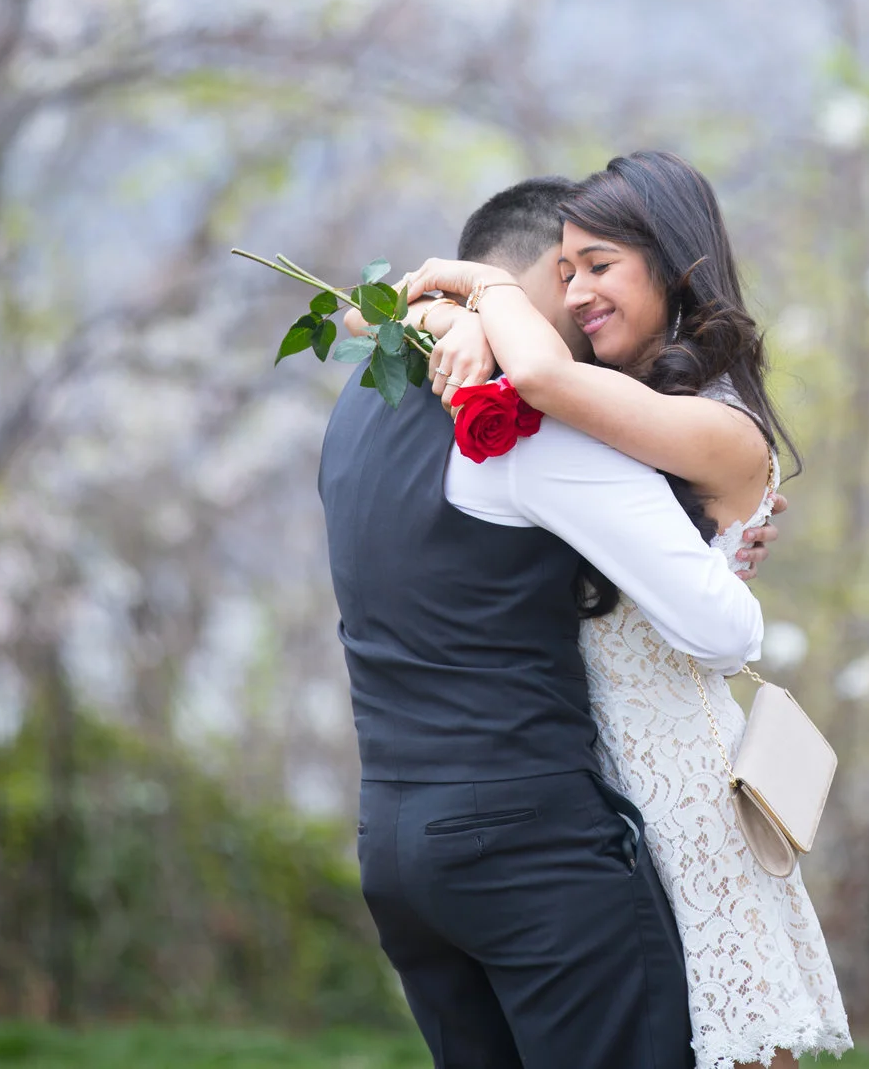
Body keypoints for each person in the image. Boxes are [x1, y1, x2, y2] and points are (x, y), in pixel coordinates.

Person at [402, 151, 853, 1069]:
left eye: (598, 266)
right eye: (563, 272)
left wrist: (483, 290)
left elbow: (539, 379)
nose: (573, 294)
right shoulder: (635, 404)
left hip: (683, 789)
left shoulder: (715, 421)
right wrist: (462, 309)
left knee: (744, 1051)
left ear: (674, 264)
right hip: (599, 783)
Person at [318, 175, 765, 1069]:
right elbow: (723, 631)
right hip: (532, 850)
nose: (582, 305)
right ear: (524, 284)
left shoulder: (358, 409)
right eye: (569, 273)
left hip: (398, 846)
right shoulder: (520, 429)